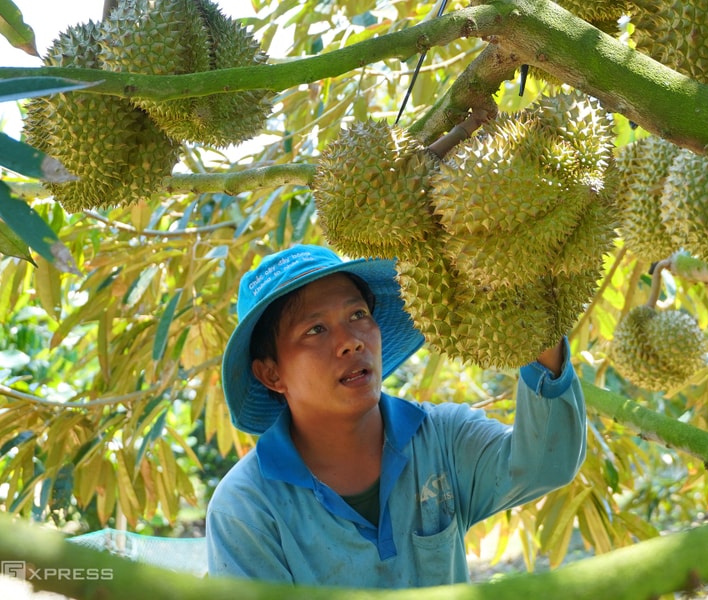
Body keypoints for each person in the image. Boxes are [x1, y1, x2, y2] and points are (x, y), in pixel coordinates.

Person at [206, 244, 587, 587]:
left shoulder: (441, 439)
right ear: (271, 374)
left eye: (358, 314)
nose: (351, 341)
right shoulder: (246, 508)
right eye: (315, 329)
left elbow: (544, 465)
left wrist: (535, 324)